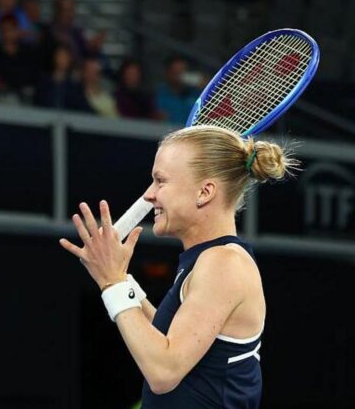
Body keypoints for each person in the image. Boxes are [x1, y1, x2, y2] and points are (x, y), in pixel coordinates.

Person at [60, 125, 297, 408]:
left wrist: (114, 282)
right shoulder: (209, 260)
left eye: (160, 181)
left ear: (205, 192)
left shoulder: (224, 263)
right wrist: (116, 276)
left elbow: (164, 371)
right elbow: (163, 341)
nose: (149, 195)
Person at [156, 56, 201, 125]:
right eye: (175, 72)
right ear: (167, 73)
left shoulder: (195, 94)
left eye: (182, 71)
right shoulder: (159, 94)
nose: (179, 76)